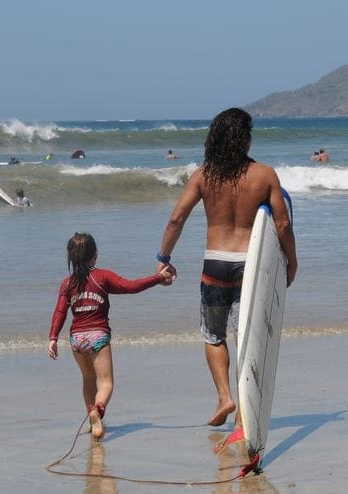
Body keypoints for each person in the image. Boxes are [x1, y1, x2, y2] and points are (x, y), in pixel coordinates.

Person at [157, 107, 298, 432]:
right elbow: (282, 223)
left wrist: (163, 257)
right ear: (244, 139)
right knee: (247, 338)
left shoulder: (203, 175)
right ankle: (243, 410)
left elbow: (176, 218)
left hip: (215, 265)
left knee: (213, 335)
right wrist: (292, 261)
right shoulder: (264, 175)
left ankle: (225, 398)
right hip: (251, 266)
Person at [48, 232, 174, 441]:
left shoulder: (67, 284)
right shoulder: (103, 277)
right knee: (106, 383)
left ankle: (92, 419)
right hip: (97, 336)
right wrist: (158, 278)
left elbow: (60, 312)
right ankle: (98, 410)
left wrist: (52, 338)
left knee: (88, 379)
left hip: (76, 340)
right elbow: (131, 286)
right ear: (95, 255)